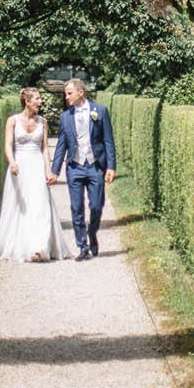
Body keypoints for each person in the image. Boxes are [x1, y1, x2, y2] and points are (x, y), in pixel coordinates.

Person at [0, 87, 71, 262]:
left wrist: (48, 170)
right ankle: (21, 244)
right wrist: (12, 162)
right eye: (37, 99)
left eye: (40, 99)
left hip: (36, 166)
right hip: (19, 167)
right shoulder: (12, 121)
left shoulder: (43, 122)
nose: (40, 102)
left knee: (40, 205)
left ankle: (39, 247)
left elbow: (44, 148)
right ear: (27, 101)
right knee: (20, 207)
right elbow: (8, 145)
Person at [47, 77, 117, 261]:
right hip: (75, 168)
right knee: (76, 208)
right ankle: (82, 247)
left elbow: (108, 141)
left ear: (81, 93)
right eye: (65, 94)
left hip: (95, 167)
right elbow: (61, 146)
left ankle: (92, 233)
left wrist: (111, 166)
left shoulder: (100, 111)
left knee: (96, 205)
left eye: (69, 93)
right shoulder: (65, 117)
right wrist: (54, 171)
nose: (66, 97)